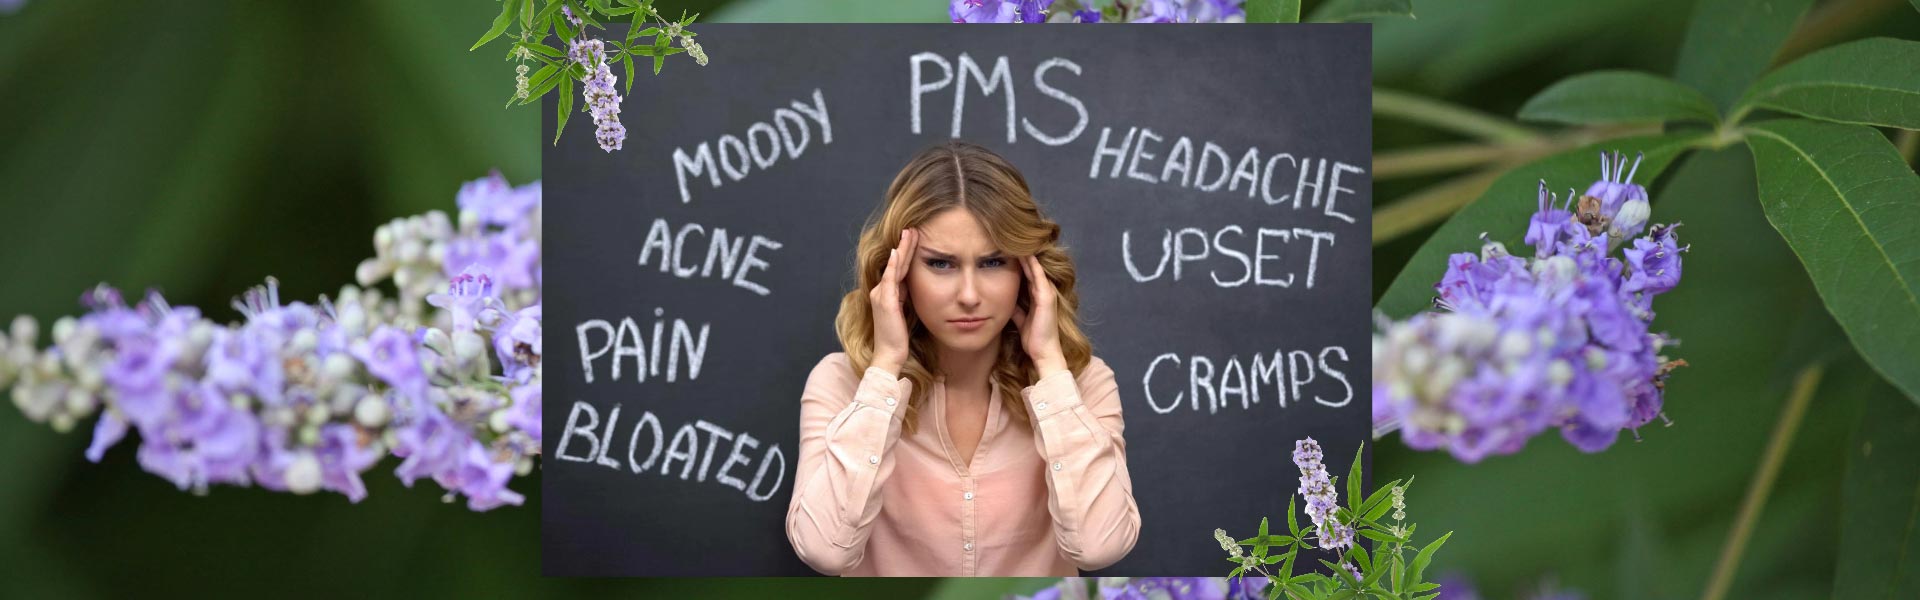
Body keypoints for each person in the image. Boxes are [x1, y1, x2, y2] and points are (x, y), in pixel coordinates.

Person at [785, 141, 1141, 576]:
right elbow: (826, 552)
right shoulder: (840, 383)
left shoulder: (1085, 385)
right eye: (941, 264)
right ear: (898, 273)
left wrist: (1050, 364)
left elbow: (1099, 548)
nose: (969, 296)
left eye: (993, 262)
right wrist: (886, 366)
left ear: (1028, 273)